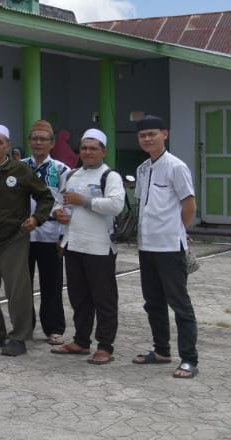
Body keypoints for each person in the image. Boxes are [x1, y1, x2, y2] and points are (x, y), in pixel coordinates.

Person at [0, 125, 55, 357]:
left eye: (0, 142)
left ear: (8, 145)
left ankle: (19, 337)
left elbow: (45, 197)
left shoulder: (21, 170)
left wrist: (36, 219)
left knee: (17, 290)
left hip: (13, 238)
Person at [131, 115, 199, 379]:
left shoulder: (176, 167)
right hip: (146, 245)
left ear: (165, 135)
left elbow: (189, 204)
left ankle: (189, 359)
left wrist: (180, 229)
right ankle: (161, 351)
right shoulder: (143, 168)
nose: (147, 139)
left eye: (152, 134)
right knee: (153, 302)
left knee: (180, 304)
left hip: (170, 246)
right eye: (143, 135)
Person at [52, 129, 125, 365]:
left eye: (93, 148)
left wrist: (83, 201)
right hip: (74, 245)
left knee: (104, 299)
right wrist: (59, 215)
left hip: (100, 247)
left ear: (104, 151)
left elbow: (116, 205)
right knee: (79, 298)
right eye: (84, 148)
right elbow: (59, 202)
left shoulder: (110, 176)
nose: (88, 152)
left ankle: (105, 346)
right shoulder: (72, 175)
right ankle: (81, 341)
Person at [25, 120, 70, 346]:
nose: (39, 142)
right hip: (23, 235)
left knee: (51, 283)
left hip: (50, 234)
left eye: (44, 139)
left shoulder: (62, 170)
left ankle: (54, 327)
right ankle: (24, 325)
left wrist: (64, 236)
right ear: (29, 141)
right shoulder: (20, 167)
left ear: (52, 143)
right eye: (35, 138)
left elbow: (66, 205)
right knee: (22, 283)